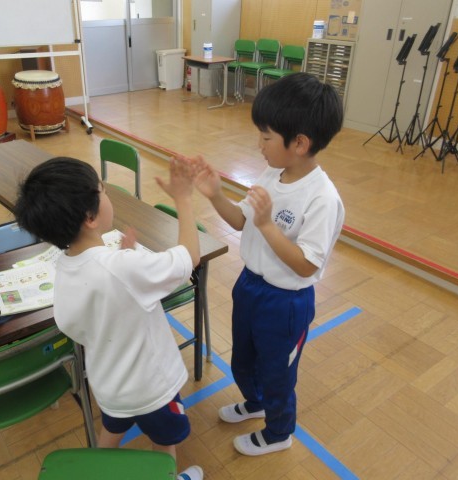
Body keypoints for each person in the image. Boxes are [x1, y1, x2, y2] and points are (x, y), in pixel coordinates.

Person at [13, 156, 204, 480]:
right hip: (152, 390)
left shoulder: (65, 266)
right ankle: (172, 476)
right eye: (102, 190)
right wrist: (183, 198)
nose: (107, 194)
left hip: (109, 387)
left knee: (112, 431)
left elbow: (74, 321)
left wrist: (124, 258)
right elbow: (190, 257)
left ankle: (99, 471)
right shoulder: (121, 268)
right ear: (90, 217)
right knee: (165, 443)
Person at [190, 72, 345, 456]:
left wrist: (267, 226)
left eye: (266, 137)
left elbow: (306, 266)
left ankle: (279, 432)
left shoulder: (322, 198)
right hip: (251, 286)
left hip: (286, 303)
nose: (259, 145)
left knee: (278, 373)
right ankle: (255, 402)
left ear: (300, 143)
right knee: (243, 360)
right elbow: (240, 220)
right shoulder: (272, 173)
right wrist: (215, 195)